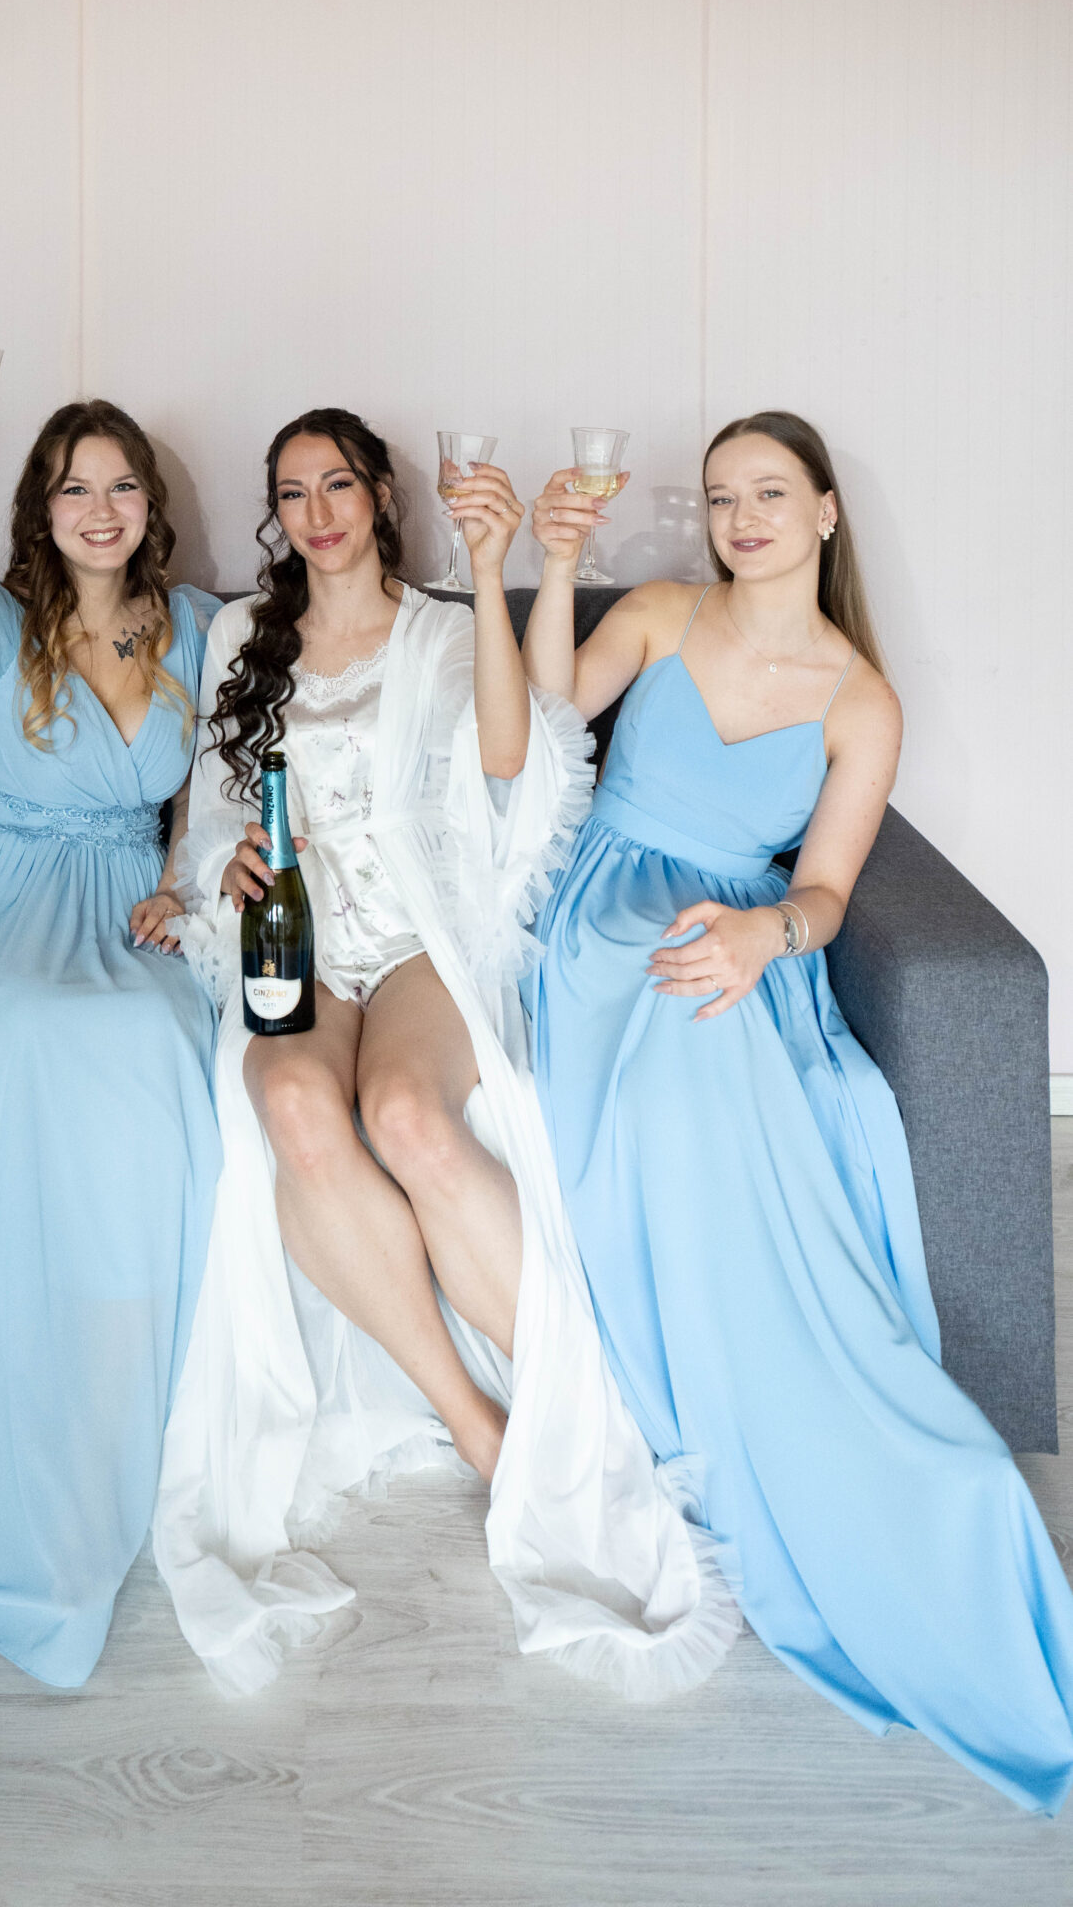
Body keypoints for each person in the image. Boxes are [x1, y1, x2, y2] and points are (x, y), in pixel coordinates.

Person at [525, 409, 1073, 1812]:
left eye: (768, 492)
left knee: (713, 1035)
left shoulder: (858, 700)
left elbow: (823, 890)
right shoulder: (658, 614)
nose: (742, 518)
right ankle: (728, 1389)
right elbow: (538, 721)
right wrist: (552, 564)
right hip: (601, 910)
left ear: (826, 511)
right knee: (674, 1025)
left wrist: (761, 937)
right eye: (720, 497)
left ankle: (857, 1442)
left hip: (740, 932)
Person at [154, 409, 739, 1697]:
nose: (317, 513)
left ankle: (570, 1401)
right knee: (292, 1104)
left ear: (380, 496)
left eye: (339, 485)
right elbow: (207, 812)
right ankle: (481, 1428)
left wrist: (488, 569)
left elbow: (513, 758)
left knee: (410, 1115)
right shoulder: (241, 635)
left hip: (420, 928)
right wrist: (219, 868)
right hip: (300, 937)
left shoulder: (432, 627)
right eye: (292, 492)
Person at [0, 400, 223, 1687]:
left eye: (122, 485)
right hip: (2, 891)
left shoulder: (198, 625)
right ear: (41, 507)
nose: (100, 508)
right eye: (75, 487)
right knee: (19, 1034)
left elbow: (211, 798)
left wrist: (183, 886)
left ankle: (112, 1370)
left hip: (134, 896)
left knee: (153, 1038)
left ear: (150, 505)